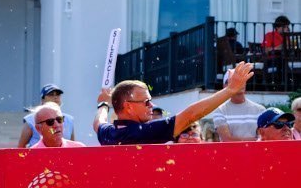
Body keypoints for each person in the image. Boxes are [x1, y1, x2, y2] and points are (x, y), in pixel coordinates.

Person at [95, 61, 254, 145]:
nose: (151, 105)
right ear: (128, 106)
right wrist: (229, 90)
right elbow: (190, 115)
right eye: (146, 102)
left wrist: (103, 105)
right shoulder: (143, 131)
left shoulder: (109, 133)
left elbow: (98, 123)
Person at [210, 78, 266, 142]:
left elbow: (263, 138)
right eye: (234, 80)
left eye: (241, 80)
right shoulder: (220, 110)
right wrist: (255, 140)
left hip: (255, 151)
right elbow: (227, 140)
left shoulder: (260, 109)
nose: (239, 83)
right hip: (230, 152)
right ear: (225, 86)